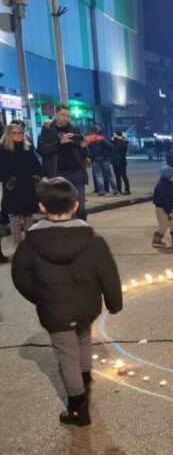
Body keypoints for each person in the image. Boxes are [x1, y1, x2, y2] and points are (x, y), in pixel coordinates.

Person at [11, 177, 123, 427]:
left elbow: (20, 277)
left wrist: (41, 297)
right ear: (75, 205)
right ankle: (84, 379)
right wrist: (114, 303)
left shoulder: (30, 243)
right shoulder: (93, 240)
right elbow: (108, 274)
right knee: (83, 336)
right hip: (86, 305)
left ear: (41, 207)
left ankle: (78, 408)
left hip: (55, 309)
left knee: (66, 353)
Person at [37, 104, 89, 220]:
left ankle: (82, 229)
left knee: (80, 206)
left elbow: (82, 153)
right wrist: (60, 143)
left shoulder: (74, 129)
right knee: (61, 206)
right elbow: (42, 150)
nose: (65, 118)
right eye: (63, 115)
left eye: (68, 116)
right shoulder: (47, 130)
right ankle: (67, 230)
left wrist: (84, 147)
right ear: (56, 114)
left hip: (76, 172)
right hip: (58, 173)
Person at [0, 123, 42, 246]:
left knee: (29, 217)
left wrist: (37, 177)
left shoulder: (27, 148)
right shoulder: (3, 150)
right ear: (8, 134)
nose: (19, 135)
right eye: (15, 133)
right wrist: (9, 180)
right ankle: (18, 247)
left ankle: (30, 246)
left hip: (28, 187)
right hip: (13, 189)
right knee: (15, 219)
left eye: (21, 133)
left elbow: (37, 166)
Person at [152, 165, 173, 248]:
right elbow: (165, 200)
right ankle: (157, 240)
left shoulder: (167, 183)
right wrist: (169, 212)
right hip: (162, 209)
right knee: (164, 225)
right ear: (167, 175)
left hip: (168, 208)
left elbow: (169, 196)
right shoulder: (163, 185)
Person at [85, 125, 117, 196]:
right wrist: (107, 154)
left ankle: (101, 191)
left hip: (95, 159)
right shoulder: (102, 138)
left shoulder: (88, 139)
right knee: (109, 175)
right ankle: (115, 190)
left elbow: (86, 149)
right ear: (97, 131)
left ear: (91, 131)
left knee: (98, 175)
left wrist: (90, 156)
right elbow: (110, 146)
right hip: (104, 158)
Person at [111, 131, 130, 195]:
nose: (113, 135)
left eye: (114, 134)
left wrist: (113, 140)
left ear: (116, 135)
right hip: (122, 161)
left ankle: (119, 190)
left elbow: (113, 148)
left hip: (116, 161)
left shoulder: (116, 142)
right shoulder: (125, 141)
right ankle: (127, 190)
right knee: (124, 176)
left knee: (118, 176)